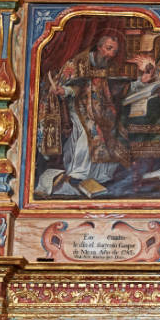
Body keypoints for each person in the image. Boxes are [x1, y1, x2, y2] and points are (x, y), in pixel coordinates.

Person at [38, 29, 129, 196]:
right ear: (100, 47)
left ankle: (99, 176)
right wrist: (64, 91)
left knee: (114, 132)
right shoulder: (78, 63)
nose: (111, 54)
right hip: (77, 107)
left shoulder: (105, 64)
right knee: (89, 132)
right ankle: (78, 174)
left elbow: (103, 90)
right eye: (109, 49)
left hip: (98, 108)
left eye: (114, 51)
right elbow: (72, 85)